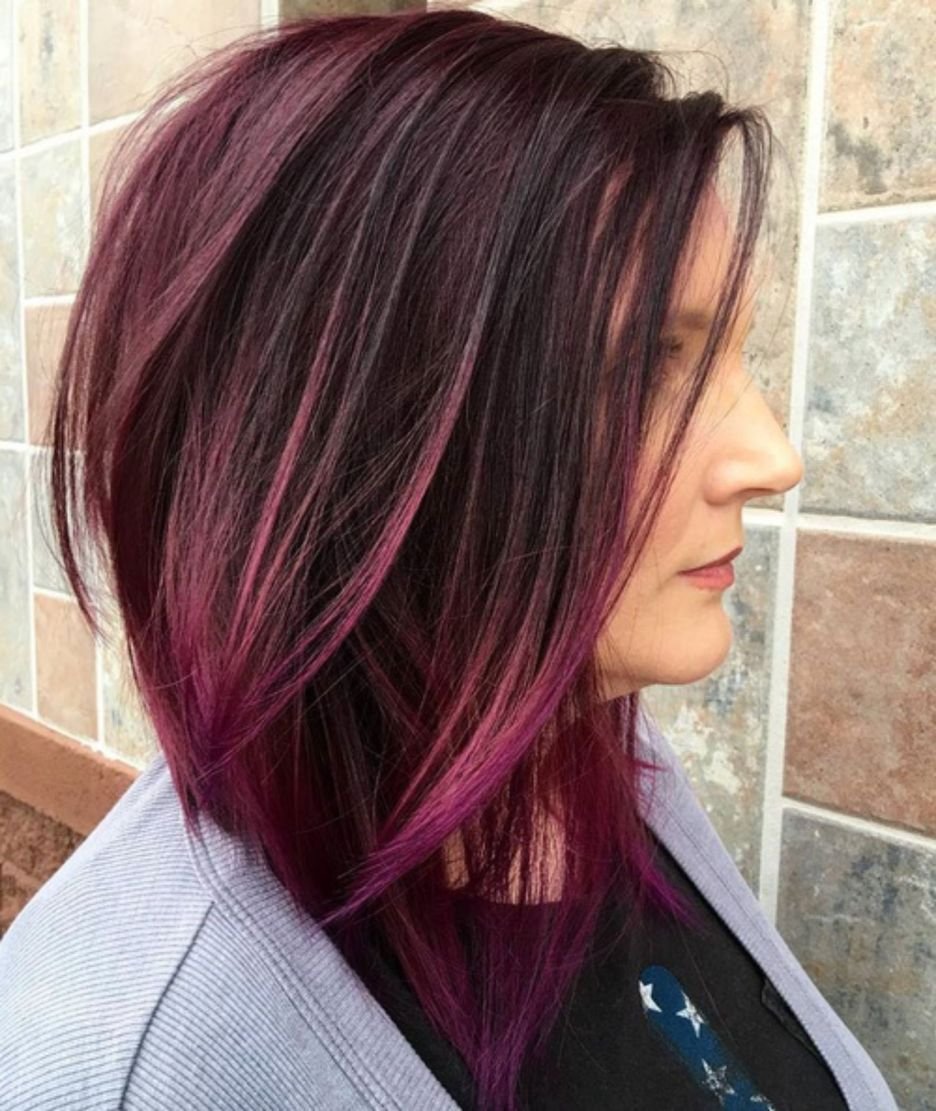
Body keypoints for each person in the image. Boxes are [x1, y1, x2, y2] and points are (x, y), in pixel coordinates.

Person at [0, 9, 897, 1110]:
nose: (774, 456)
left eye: (730, 354)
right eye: (647, 364)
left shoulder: (582, 765)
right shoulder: (122, 1062)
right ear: (358, 437)